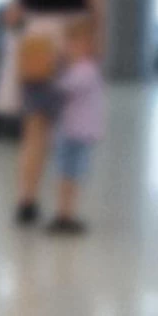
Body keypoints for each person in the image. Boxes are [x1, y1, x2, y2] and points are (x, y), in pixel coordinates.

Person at [6, 0, 106, 225]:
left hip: (39, 47)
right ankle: (65, 209)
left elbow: (14, 14)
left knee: (35, 130)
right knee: (72, 129)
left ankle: (27, 200)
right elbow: (96, 2)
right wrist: (97, 41)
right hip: (74, 41)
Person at [48, 16, 105, 235]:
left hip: (75, 132)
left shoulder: (84, 70)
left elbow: (65, 87)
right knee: (68, 175)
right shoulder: (83, 69)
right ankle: (64, 213)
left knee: (69, 175)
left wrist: (52, 71)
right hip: (74, 132)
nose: (69, 48)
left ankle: (66, 214)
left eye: (75, 43)